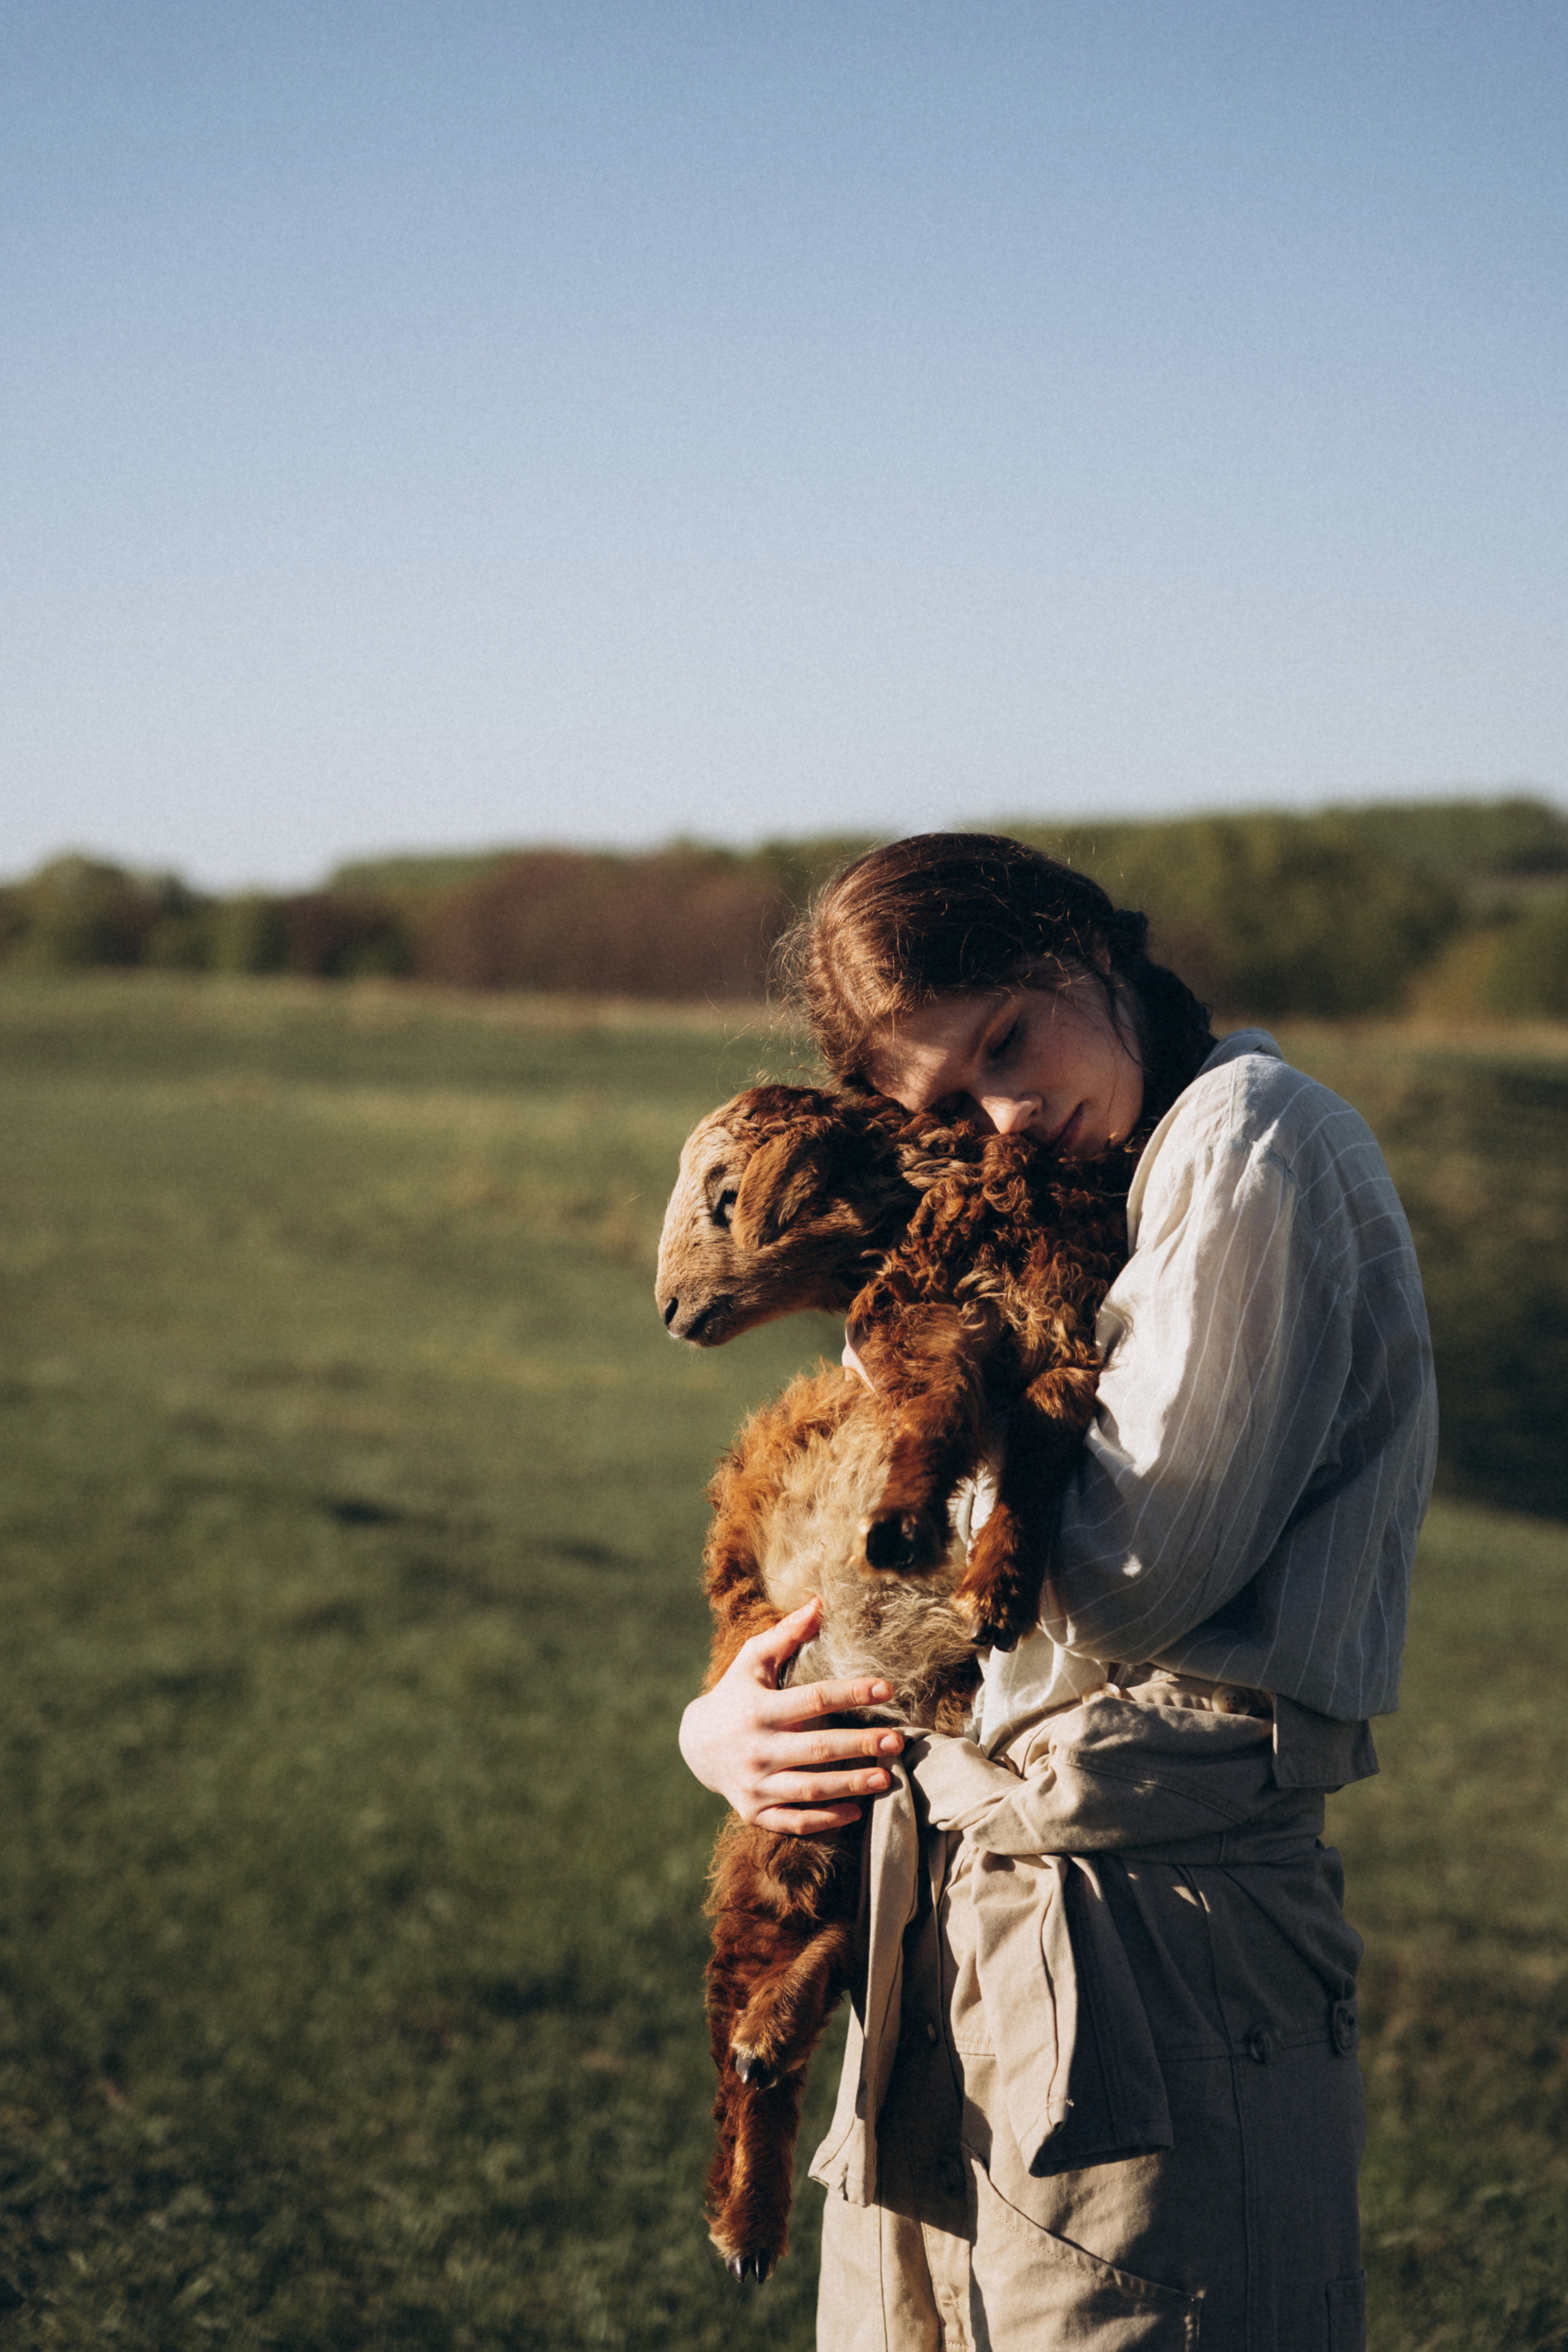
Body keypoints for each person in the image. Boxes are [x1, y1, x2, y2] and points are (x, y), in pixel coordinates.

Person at [678, 833, 1436, 2351]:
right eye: (946, 1106)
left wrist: (920, 1433)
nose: (1006, 1119)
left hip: (1153, 1948)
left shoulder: (1250, 1140)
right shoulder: (1002, 1210)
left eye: (1008, 1043)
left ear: (1081, 948)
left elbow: (1121, 1574)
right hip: (935, 1919)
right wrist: (731, 1726)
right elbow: (869, 1553)